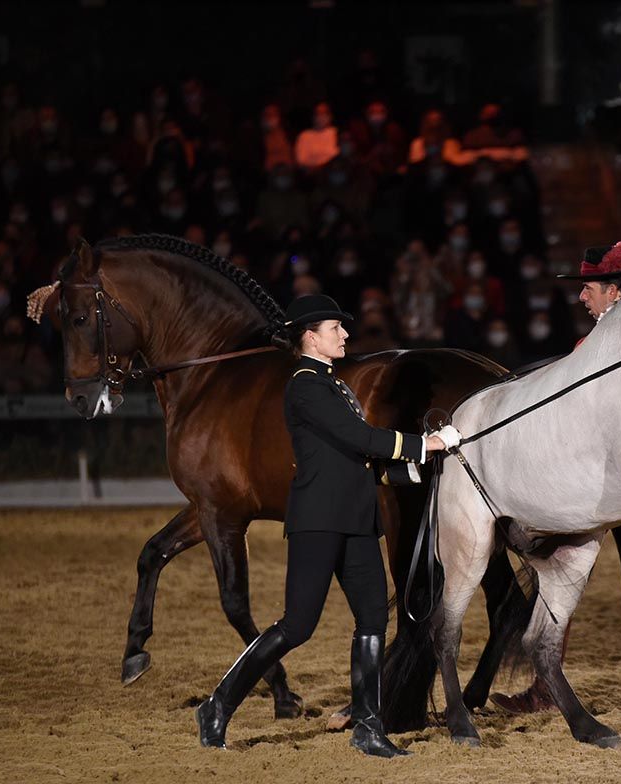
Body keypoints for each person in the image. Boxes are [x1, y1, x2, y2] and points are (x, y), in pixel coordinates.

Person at [196, 294, 460, 757]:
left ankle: (368, 726)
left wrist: (414, 467)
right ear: (309, 337)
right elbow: (359, 438)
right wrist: (426, 444)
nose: (345, 335)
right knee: (298, 625)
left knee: (374, 617)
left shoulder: (333, 385)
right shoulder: (304, 384)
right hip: (318, 522)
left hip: (356, 520)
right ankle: (218, 705)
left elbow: (356, 457)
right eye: (335, 328)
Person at [490, 241, 621, 717]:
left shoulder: (601, 347)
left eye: (590, 289)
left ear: (616, 293)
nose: (582, 297)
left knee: (561, 576)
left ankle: (543, 692)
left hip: (597, 487)